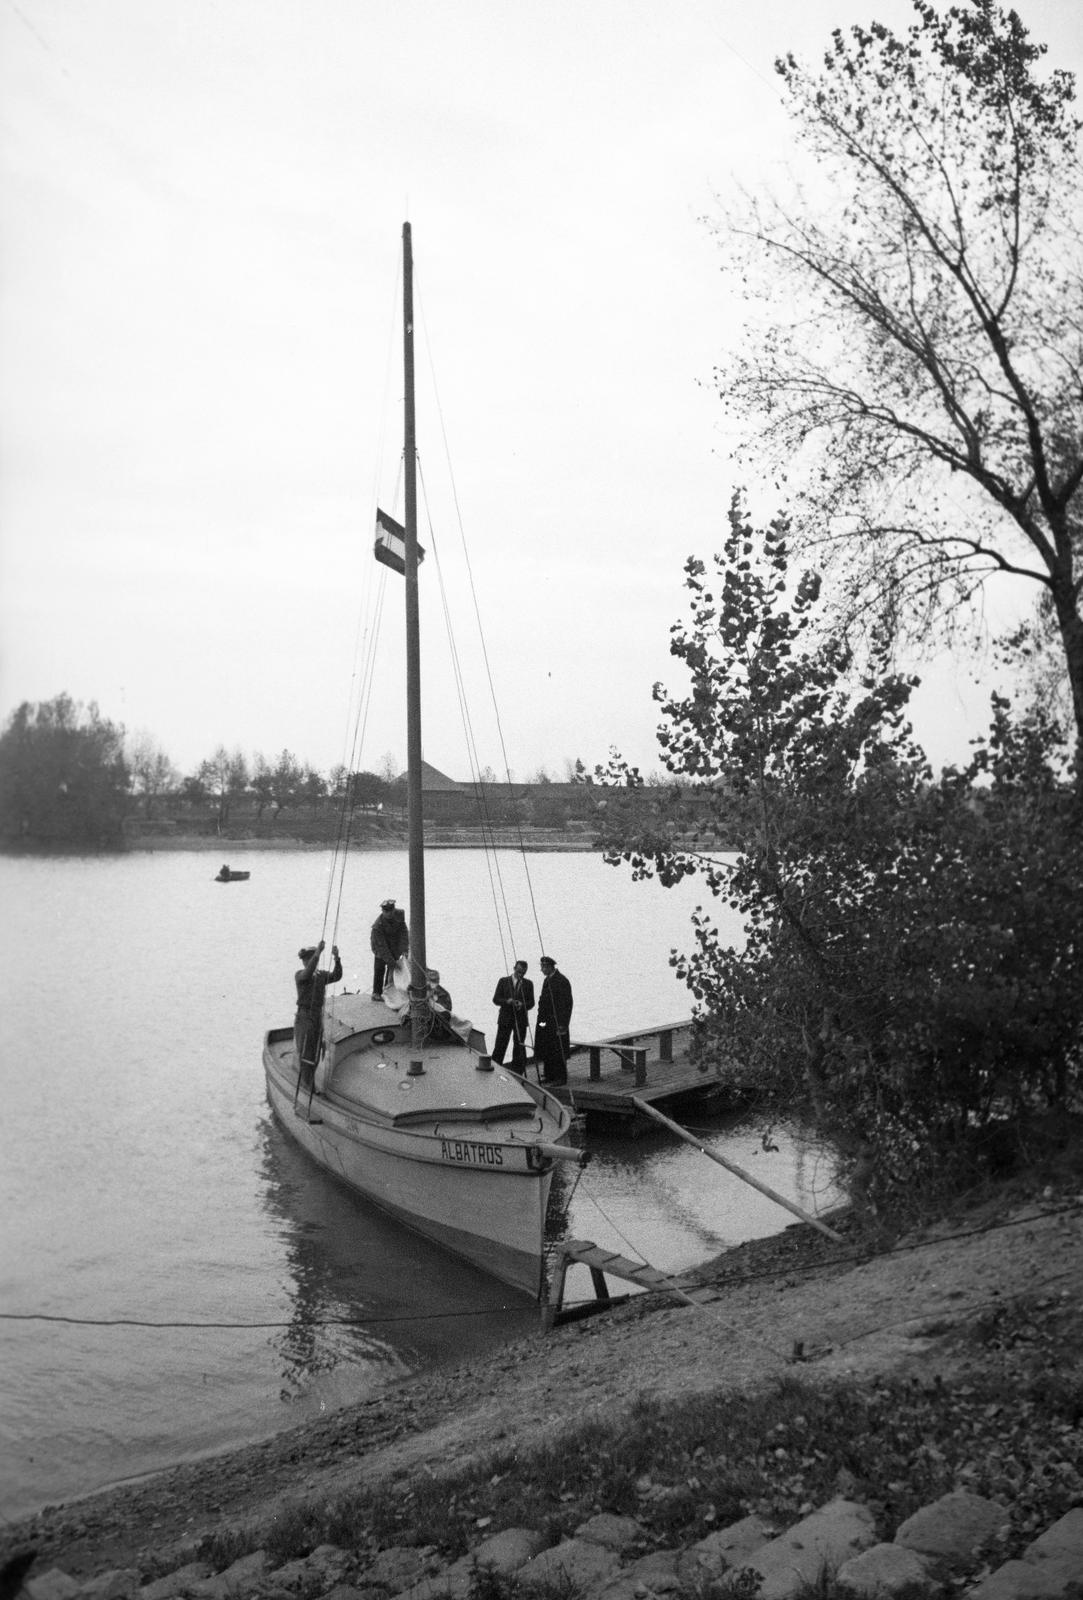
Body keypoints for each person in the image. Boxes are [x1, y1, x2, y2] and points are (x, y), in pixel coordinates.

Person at [294, 939, 342, 1092]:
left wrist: (337, 958)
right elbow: (307, 973)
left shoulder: (320, 975)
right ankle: (307, 1084)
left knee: (315, 1051)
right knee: (306, 1051)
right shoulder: (300, 975)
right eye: (306, 959)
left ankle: (310, 1082)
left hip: (316, 1016)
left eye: (309, 958)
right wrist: (318, 953)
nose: (307, 962)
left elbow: (336, 976)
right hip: (304, 1016)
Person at [534, 955, 573, 1085]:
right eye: (541, 966)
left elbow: (567, 1004)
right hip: (546, 1022)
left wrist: (563, 1024)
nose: (542, 970)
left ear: (550, 966)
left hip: (557, 1022)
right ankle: (549, 1075)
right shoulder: (547, 980)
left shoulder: (562, 981)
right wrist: (540, 1021)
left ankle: (561, 1077)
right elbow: (543, 1001)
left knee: (558, 1050)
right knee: (547, 1048)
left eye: (543, 967)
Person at [491, 960, 534, 1071]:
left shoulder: (529, 984)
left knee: (519, 1046)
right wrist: (507, 1001)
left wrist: (522, 1004)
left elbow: (531, 1003)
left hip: (520, 1020)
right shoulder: (503, 981)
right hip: (505, 1019)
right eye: (519, 972)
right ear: (514, 968)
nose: (520, 975)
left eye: (523, 973)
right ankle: (495, 1067)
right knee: (500, 1045)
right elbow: (496, 999)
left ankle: (518, 1071)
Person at [370, 898, 409, 999]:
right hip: (379, 947)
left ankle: (388, 991)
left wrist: (404, 949)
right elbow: (382, 949)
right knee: (380, 968)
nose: (389, 913)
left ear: (394, 909)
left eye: (391, 910)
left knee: (392, 971)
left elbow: (404, 933)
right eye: (386, 911)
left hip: (393, 945)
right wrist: (393, 963)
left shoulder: (399, 915)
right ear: (383, 911)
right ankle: (376, 993)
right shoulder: (377, 926)